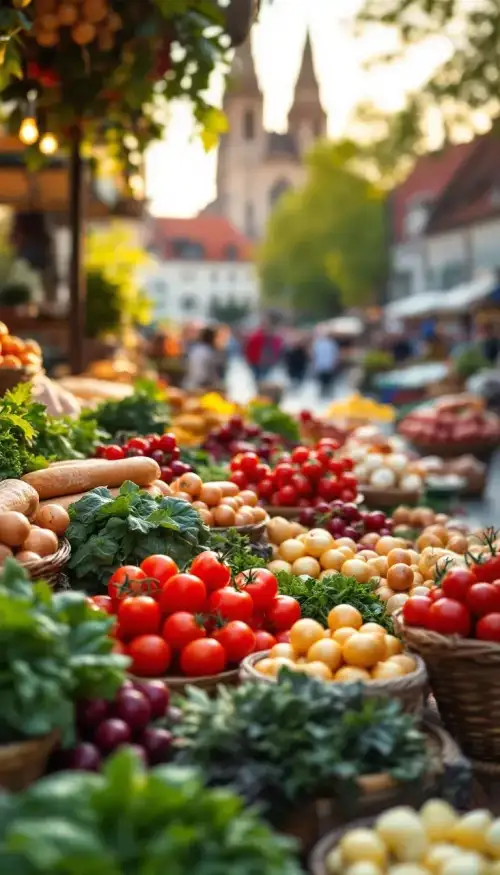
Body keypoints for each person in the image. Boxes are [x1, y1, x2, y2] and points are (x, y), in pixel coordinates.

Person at [244, 319, 282, 383]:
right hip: (256, 361)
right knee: (258, 377)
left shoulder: (274, 338)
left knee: (265, 378)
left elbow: (278, 349)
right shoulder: (256, 337)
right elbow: (248, 349)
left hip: (268, 361)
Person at [184, 326, 221, 390]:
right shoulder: (209, 352)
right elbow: (211, 376)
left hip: (189, 383)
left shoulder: (195, 348)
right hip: (200, 387)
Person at [312, 331, 339, 397]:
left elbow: (335, 354)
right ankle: (322, 393)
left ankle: (327, 393)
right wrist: (315, 363)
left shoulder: (332, 343)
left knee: (328, 380)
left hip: (328, 365)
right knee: (321, 380)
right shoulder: (318, 343)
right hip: (321, 365)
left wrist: (334, 363)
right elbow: (315, 354)